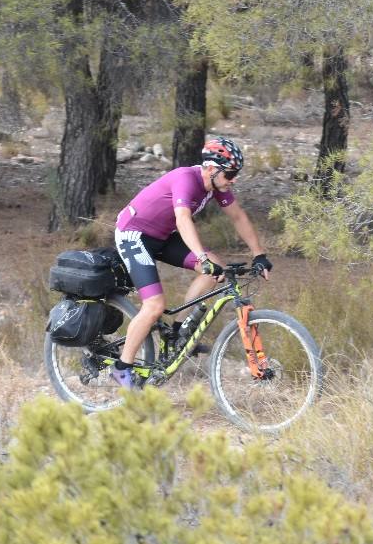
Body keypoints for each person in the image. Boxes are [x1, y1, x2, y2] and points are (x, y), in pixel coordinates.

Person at [110, 137, 272, 389]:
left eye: (236, 173)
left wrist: (259, 254)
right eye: (230, 173)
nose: (233, 179)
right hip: (133, 234)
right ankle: (122, 368)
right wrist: (202, 257)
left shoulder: (217, 186)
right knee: (154, 305)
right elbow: (183, 218)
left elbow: (238, 217)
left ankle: (177, 331)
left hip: (162, 236)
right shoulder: (186, 179)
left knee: (216, 269)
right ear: (210, 168)